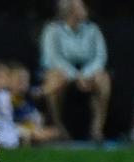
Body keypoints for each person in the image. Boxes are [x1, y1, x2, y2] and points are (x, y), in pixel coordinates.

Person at [39, 0, 111, 141]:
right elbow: (53, 58)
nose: (85, 10)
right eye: (81, 7)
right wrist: (75, 76)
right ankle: (59, 128)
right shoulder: (52, 30)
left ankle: (97, 129)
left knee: (103, 79)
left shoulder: (93, 30)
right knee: (54, 80)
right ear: (70, 11)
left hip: (87, 72)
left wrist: (85, 75)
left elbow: (100, 57)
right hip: (62, 72)